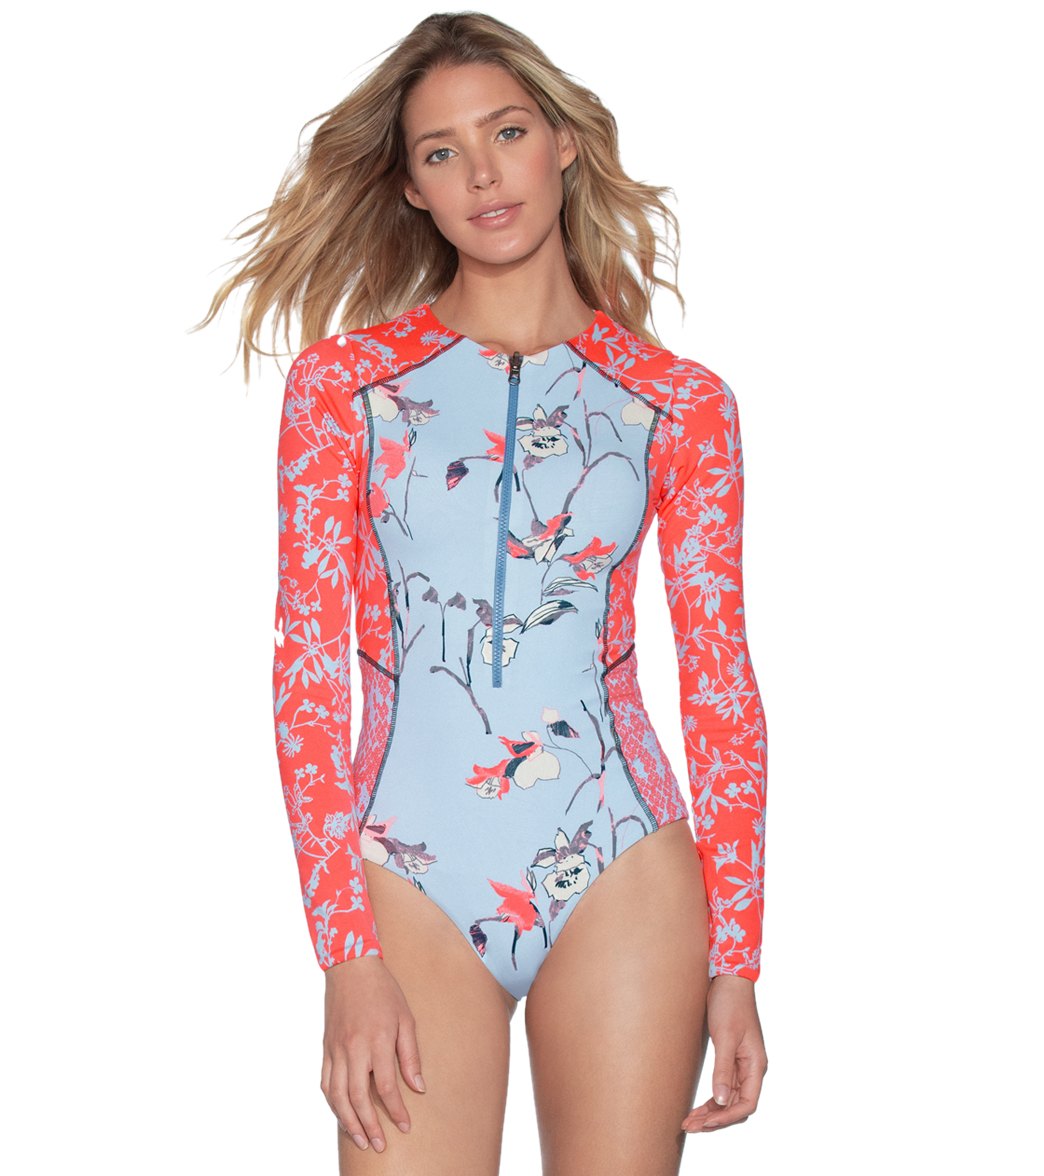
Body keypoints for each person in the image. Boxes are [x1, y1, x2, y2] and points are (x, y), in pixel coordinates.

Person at [196, 11, 768, 1173]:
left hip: (624, 866)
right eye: (442, 151)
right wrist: (343, 952)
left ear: (563, 142)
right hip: (406, 877)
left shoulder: (676, 401)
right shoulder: (346, 391)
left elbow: (719, 682)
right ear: (412, 187)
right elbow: (306, 675)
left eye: (507, 132)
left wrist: (738, 961)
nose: (484, 173)